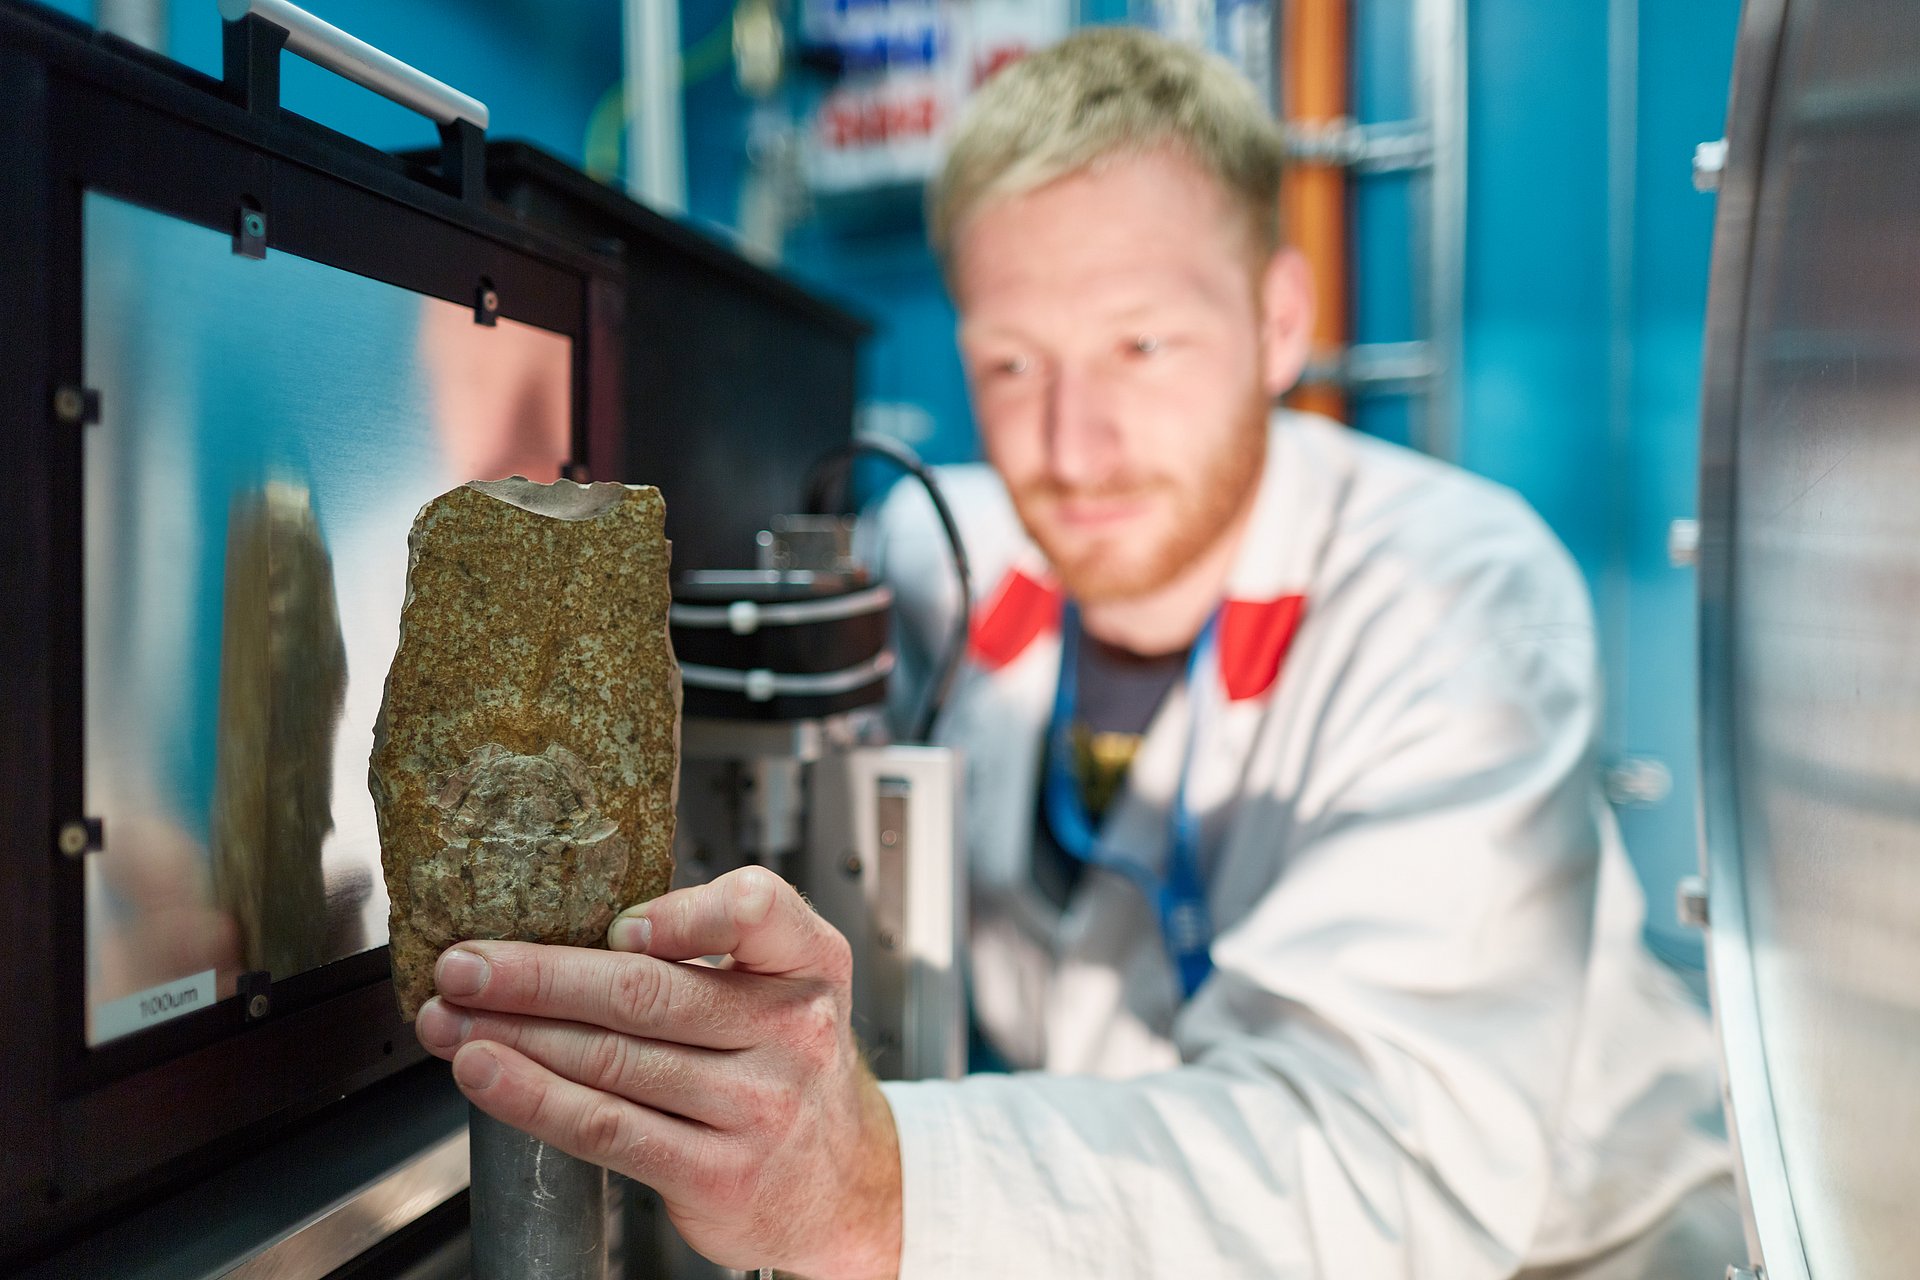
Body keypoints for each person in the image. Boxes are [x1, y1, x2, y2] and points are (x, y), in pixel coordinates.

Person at [411, 27, 1739, 1279]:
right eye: (1010, 365)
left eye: (1142, 346)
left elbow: (1383, 1158)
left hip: (1556, 1248)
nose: (1071, 445)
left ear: (1280, 323)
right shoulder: (942, 558)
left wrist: (873, 1179)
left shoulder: (1453, 598)